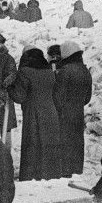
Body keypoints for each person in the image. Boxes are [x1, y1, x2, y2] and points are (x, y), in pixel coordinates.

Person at [8, 47, 62, 181]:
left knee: (33, 145)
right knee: (48, 145)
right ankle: (50, 175)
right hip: (51, 112)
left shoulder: (25, 72)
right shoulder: (49, 71)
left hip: (33, 113)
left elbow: (19, 96)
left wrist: (9, 87)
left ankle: (31, 176)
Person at [54, 41, 93, 178]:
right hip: (78, 111)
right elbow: (88, 97)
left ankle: (65, 170)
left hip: (64, 113)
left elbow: (58, 96)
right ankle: (77, 168)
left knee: (65, 140)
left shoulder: (65, 71)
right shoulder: (85, 70)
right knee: (77, 140)